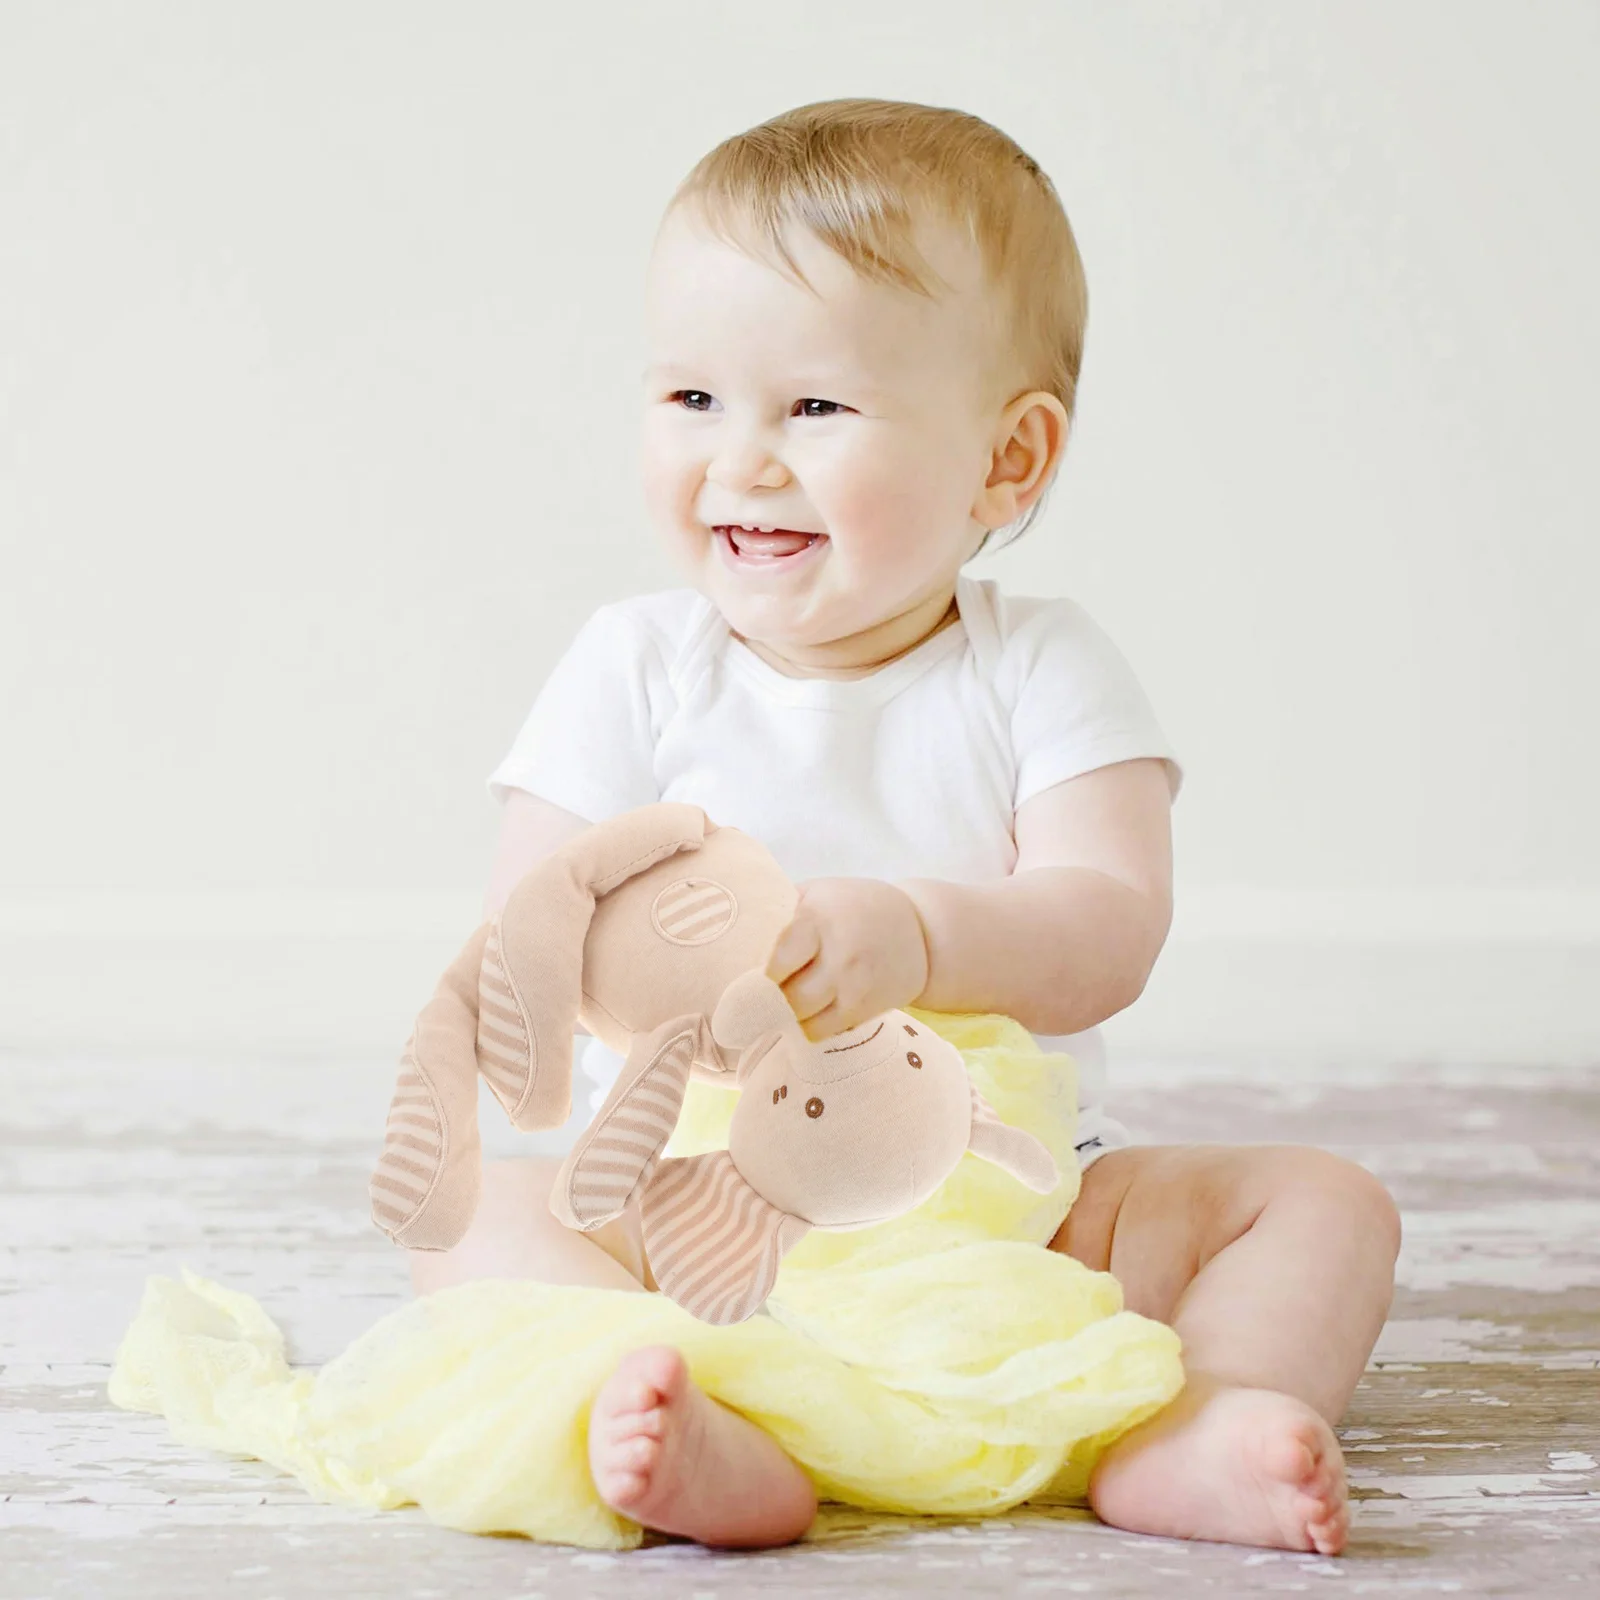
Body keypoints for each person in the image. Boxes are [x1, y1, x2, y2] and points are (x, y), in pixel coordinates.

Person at [410, 98, 1401, 1556]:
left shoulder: (1039, 668)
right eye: (691, 398)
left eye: (812, 407)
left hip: (1012, 1213)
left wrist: (921, 933)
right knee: (475, 1211)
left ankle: (1204, 1423)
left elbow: (1110, 923)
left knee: (1325, 1203)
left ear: (1008, 460)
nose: (740, 459)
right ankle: (693, 1412)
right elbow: (527, 939)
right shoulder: (632, 666)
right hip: (696, 1205)